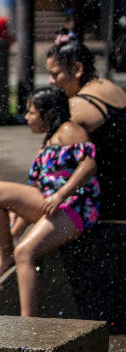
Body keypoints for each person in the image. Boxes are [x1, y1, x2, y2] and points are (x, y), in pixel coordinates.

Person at [0, 87, 99, 317]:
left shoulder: (69, 130)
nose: (26, 118)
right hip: (53, 203)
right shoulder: (48, 141)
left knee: (25, 253)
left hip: (76, 207)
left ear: (48, 113)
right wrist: (15, 226)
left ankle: (30, 324)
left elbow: (89, 164)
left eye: (31, 112)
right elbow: (40, 188)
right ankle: (5, 254)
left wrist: (61, 194)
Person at [46, 30, 126, 220]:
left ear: (77, 69)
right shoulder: (112, 87)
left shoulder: (77, 107)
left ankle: (11, 249)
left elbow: (48, 161)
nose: (51, 81)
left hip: (107, 203)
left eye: (55, 74)